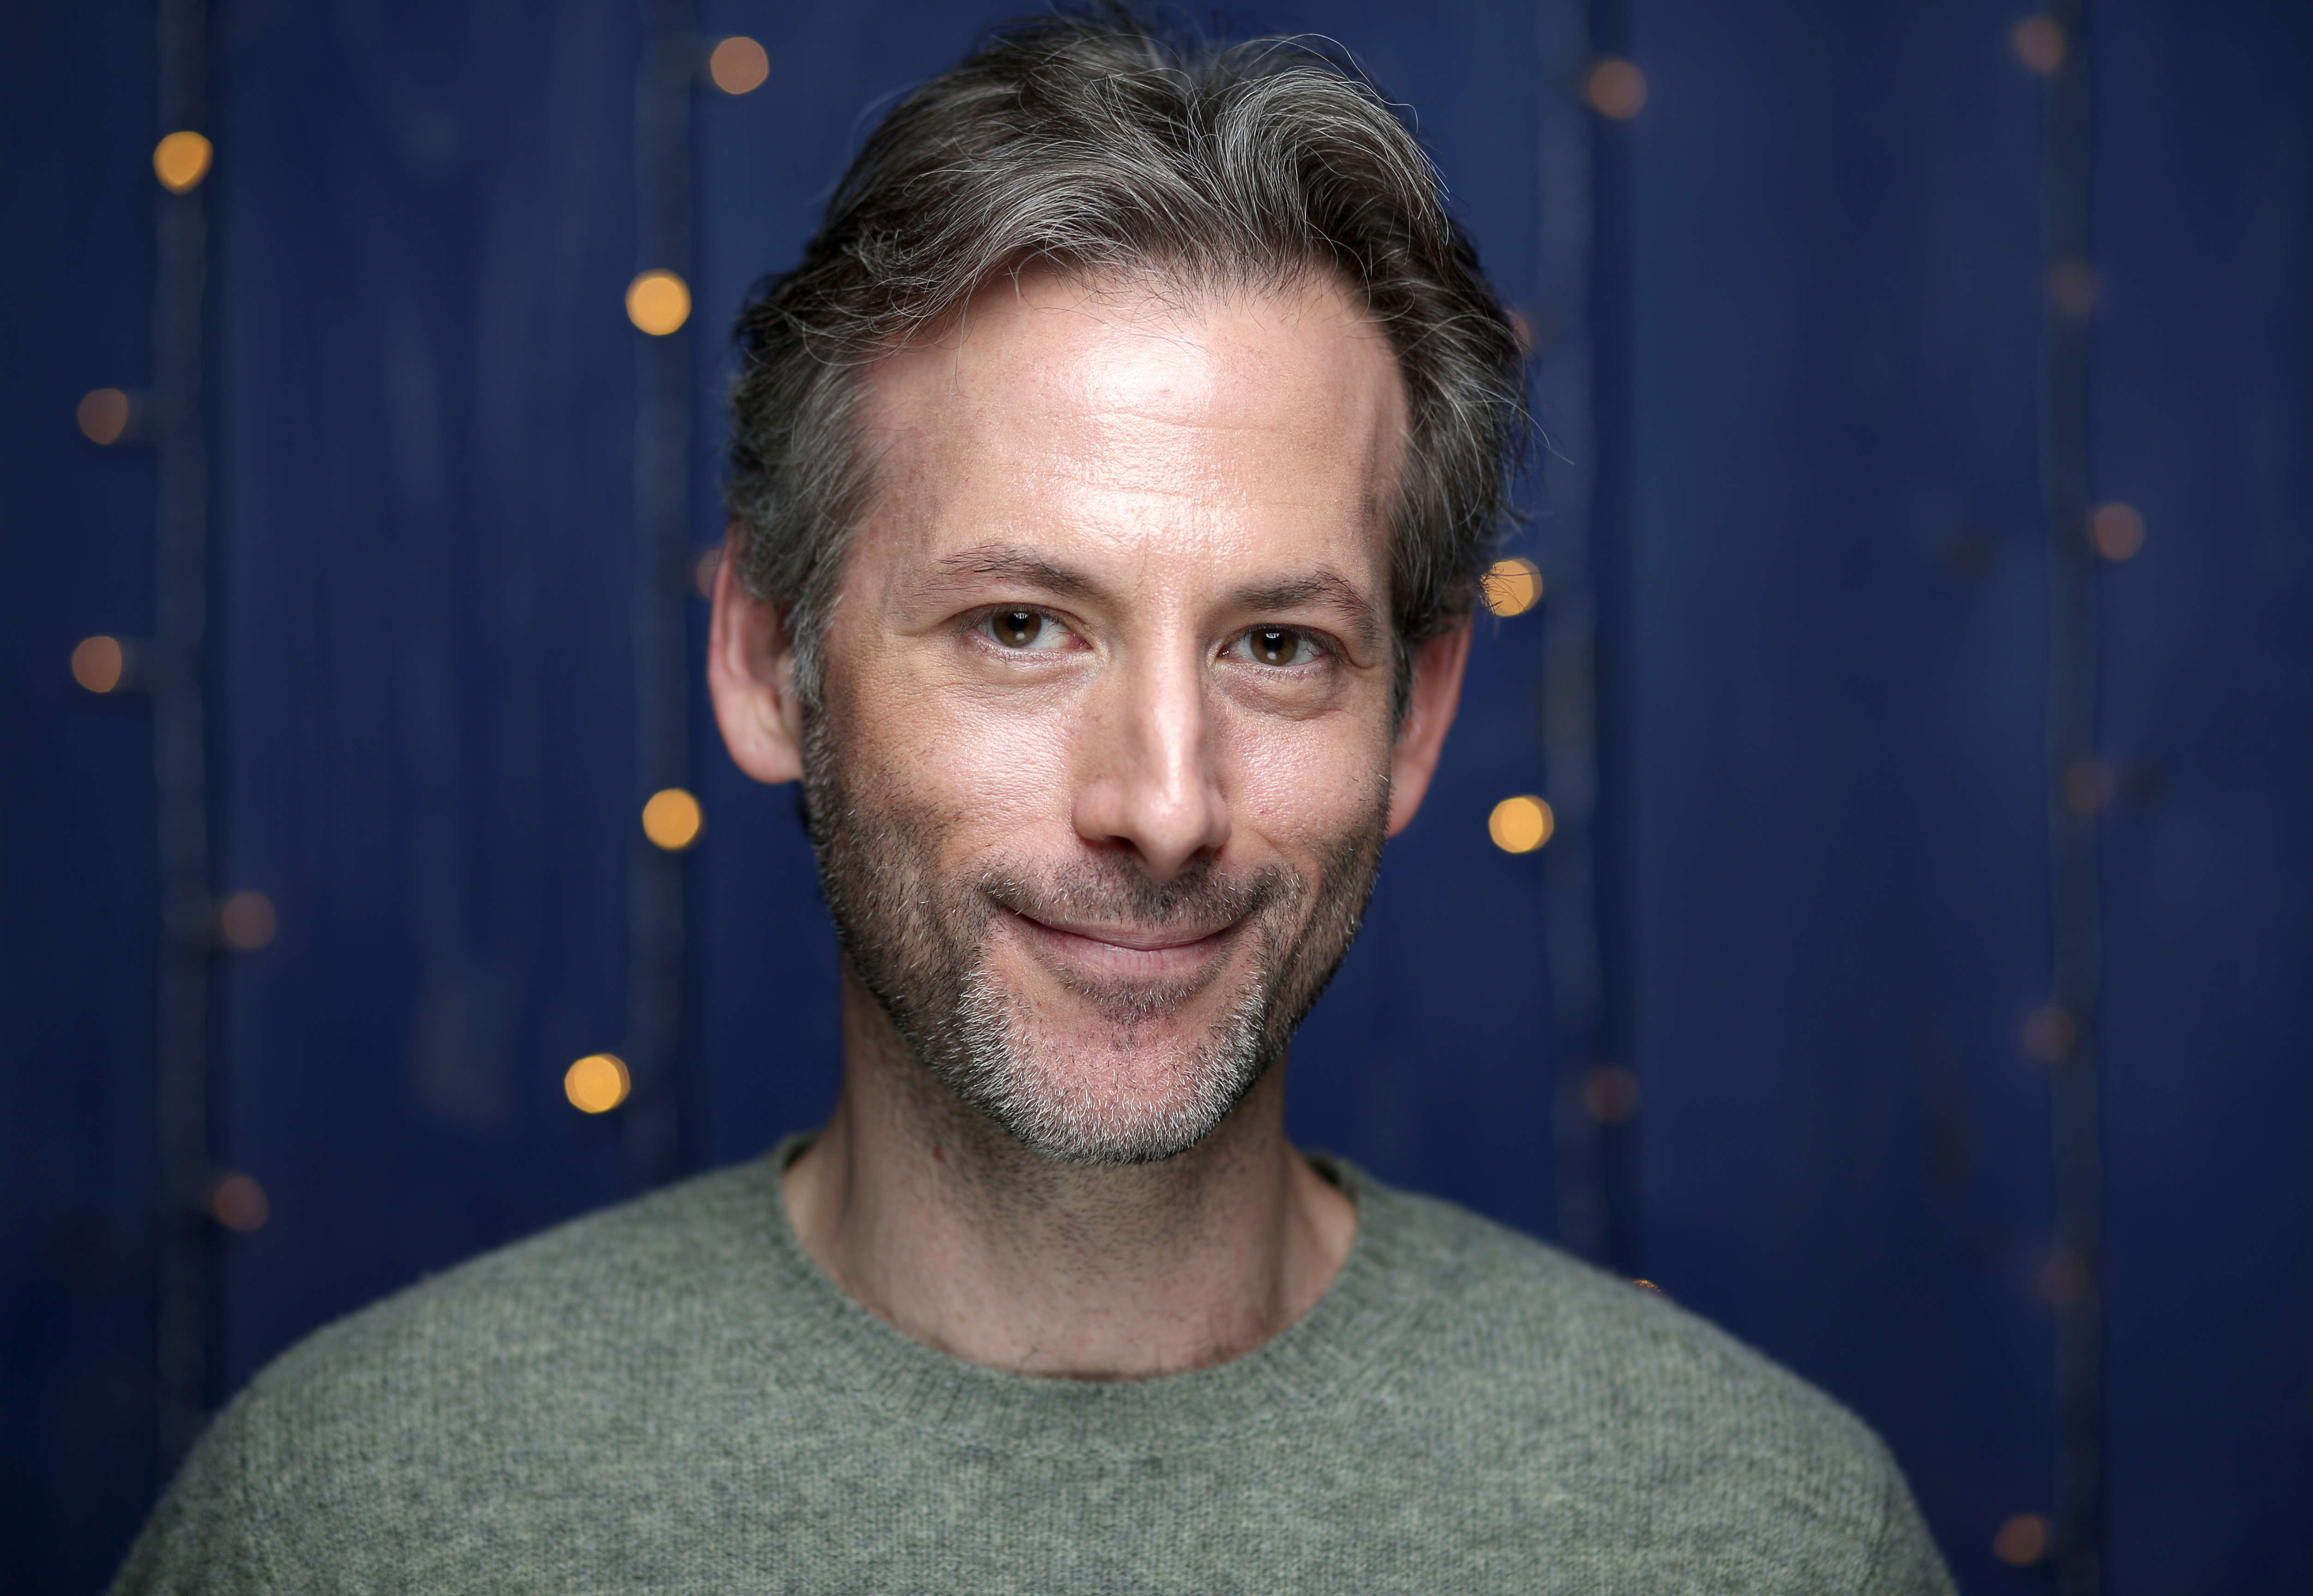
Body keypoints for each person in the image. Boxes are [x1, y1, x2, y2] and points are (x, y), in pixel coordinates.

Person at [114, 11, 1955, 1592]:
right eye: (1020, 625)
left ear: (1419, 716)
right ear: (767, 657)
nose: (1163, 804)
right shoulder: (362, 1520)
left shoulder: (1749, 1533)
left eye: (1280, 648)